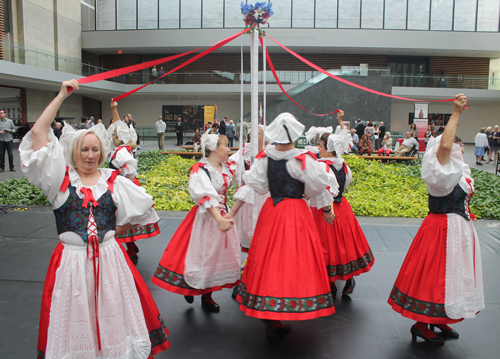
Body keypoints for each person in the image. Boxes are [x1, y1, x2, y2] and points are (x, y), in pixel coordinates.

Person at [22, 80, 170, 358]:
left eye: (95, 150)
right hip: (73, 262)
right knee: (77, 317)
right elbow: (39, 132)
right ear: (73, 152)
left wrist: (112, 231)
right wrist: (61, 96)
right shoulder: (59, 182)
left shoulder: (113, 181)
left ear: (102, 152)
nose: (90, 155)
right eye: (84, 149)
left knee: (112, 314)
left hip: (109, 259)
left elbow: (143, 209)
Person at [227, 113, 338, 341]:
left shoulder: (265, 157)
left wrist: (231, 212)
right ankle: (288, 303)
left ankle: (271, 312)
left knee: (270, 260)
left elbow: (254, 185)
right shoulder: (303, 158)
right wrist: (327, 210)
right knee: (294, 260)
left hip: (273, 212)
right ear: (295, 133)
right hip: (295, 213)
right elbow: (318, 186)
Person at [388, 94, 484, 346]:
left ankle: (441, 318)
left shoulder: (459, 170)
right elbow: (443, 148)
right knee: (437, 276)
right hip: (442, 231)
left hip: (457, 231)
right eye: (457, 145)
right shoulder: (442, 170)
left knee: (452, 277)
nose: (461, 148)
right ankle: (421, 323)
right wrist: (456, 113)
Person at [152, 131, 240, 313]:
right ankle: (191, 287)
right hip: (205, 218)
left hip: (221, 216)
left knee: (214, 257)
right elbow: (204, 197)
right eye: (225, 145)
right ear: (214, 149)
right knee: (200, 256)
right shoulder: (200, 171)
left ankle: (207, 296)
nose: (229, 149)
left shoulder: (227, 167)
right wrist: (219, 219)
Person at [314, 110, 374, 297]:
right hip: (342, 207)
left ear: (328, 148)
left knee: (327, 245)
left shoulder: (321, 165)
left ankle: (330, 283)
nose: (318, 149)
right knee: (345, 243)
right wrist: (340, 122)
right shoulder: (343, 165)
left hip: (325, 208)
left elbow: (318, 188)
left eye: (321, 146)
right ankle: (348, 279)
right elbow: (346, 184)